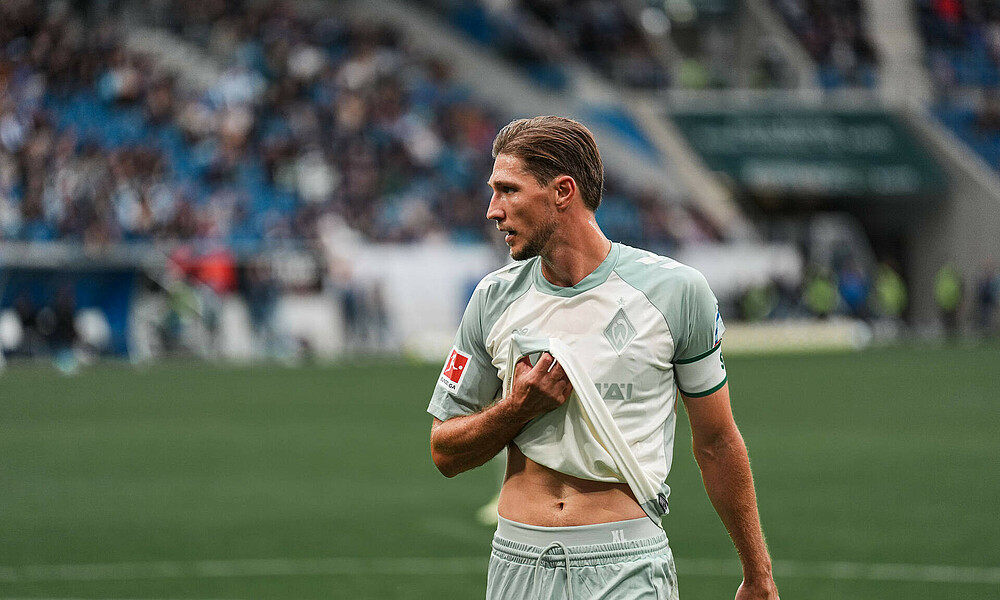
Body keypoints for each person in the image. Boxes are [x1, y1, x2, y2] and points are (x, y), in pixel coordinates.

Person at [427, 116, 778, 599]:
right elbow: (444, 450)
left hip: (627, 565)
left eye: (507, 190)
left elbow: (717, 441)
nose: (492, 210)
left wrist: (758, 573)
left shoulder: (676, 292)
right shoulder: (492, 299)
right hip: (517, 563)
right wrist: (519, 407)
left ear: (562, 192)